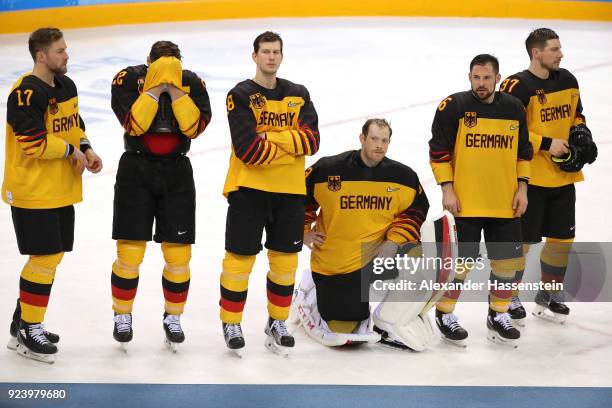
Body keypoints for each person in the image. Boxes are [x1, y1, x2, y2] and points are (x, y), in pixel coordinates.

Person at [293, 118, 439, 351]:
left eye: (384, 140)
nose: (379, 145)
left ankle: (393, 318)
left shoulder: (403, 177)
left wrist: (394, 241)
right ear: (362, 139)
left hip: (382, 255)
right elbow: (296, 198)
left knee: (425, 264)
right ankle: (310, 287)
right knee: (346, 325)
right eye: (374, 139)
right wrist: (304, 232)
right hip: (338, 262)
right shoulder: (328, 169)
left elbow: (415, 211)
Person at [2, 27, 103, 363]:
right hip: (33, 191)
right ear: (41, 56)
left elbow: (72, 123)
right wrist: (71, 149)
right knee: (43, 258)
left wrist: (85, 148)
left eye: (66, 49)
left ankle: (23, 323)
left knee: (51, 256)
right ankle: (30, 330)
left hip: (59, 189)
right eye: (60, 51)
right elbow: (32, 143)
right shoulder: (26, 93)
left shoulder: (66, 85)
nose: (67, 55)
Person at [219, 31, 320, 356]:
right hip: (248, 190)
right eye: (265, 52)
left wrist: (270, 137)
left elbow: (313, 142)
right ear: (255, 56)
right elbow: (248, 150)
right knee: (239, 260)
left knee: (285, 264)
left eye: (276, 51)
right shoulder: (241, 94)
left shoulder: (298, 93)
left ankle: (276, 322)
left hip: (290, 192)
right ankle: (231, 322)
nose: (271, 57)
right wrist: (290, 139)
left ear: (281, 55)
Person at [110, 40, 211, 352]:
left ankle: (173, 317)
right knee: (129, 253)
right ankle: (122, 315)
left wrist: (176, 90)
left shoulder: (193, 83)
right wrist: (155, 88)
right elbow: (135, 125)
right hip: (135, 170)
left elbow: (193, 127)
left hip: (177, 172)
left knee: (179, 255)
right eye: (161, 65)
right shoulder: (126, 79)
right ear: (148, 61)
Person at [428, 54, 533, 347]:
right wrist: (447, 189)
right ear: (469, 77)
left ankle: (498, 314)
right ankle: (445, 313)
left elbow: (524, 152)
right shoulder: (454, 106)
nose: (481, 83)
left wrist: (522, 188)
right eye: (476, 77)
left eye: (487, 78)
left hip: (505, 202)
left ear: (498, 78)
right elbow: (438, 151)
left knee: (507, 263)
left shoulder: (514, 108)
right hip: (465, 202)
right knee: (460, 264)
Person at [500, 28, 597, 324]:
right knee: (523, 243)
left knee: (562, 240)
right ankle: (511, 296)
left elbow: (576, 115)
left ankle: (550, 292)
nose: (561, 54)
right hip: (528, 181)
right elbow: (507, 127)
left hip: (563, 179)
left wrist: (580, 134)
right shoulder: (516, 86)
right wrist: (546, 143)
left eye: (560, 48)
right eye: (554, 49)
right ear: (536, 52)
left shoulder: (568, 79)